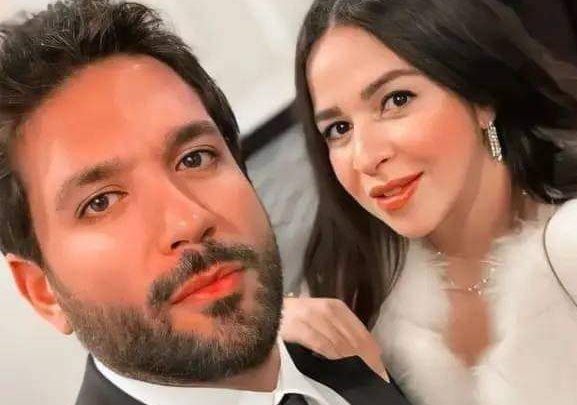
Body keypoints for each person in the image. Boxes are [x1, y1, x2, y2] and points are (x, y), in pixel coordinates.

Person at [285, 0, 577, 404]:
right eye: (339, 129)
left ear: (481, 98)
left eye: (396, 100)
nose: (365, 157)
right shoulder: (361, 297)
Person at [0, 1, 411, 404]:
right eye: (101, 202)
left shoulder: (352, 351)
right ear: (43, 292)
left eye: (194, 159)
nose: (188, 220)